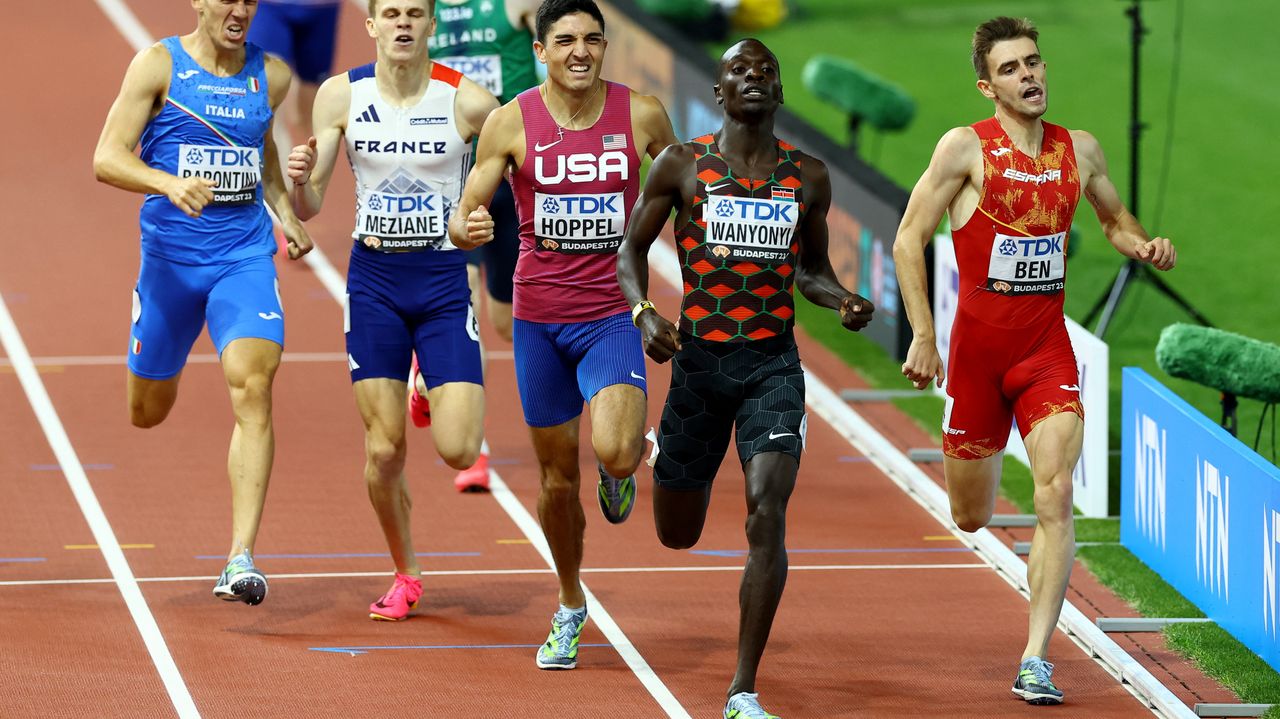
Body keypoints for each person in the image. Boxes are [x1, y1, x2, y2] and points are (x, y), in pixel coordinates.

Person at [892, 16, 1177, 705]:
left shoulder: (1079, 151)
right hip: (976, 361)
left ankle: (1035, 657)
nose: (1031, 76)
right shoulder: (965, 149)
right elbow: (908, 239)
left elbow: (1113, 219)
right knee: (970, 514)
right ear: (987, 85)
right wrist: (924, 335)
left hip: (1047, 353)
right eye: (1013, 68)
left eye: (1035, 63)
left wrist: (1140, 244)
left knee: (1054, 494)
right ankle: (982, 505)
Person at [616, 38, 873, 719]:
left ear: (779, 94)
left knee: (767, 509)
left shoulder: (807, 176)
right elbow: (631, 250)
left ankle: (742, 687)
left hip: (771, 366)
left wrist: (842, 298)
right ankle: (645, 453)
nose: (753, 78)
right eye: (738, 71)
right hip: (698, 364)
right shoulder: (682, 164)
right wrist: (644, 315)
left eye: (766, 71)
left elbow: (812, 271)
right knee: (678, 532)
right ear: (719, 94)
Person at [450, 0, 677, 669]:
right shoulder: (510, 121)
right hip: (539, 320)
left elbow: (688, 187)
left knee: (613, 453)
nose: (580, 51)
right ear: (541, 49)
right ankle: (571, 602)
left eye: (592, 40)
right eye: (566, 41)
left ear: (604, 47)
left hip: (611, 312)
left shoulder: (641, 114)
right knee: (555, 480)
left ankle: (624, 466)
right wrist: (471, 227)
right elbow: (466, 212)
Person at [93, 0, 314, 606]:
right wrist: (167, 182)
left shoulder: (270, 75)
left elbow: (261, 151)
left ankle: (240, 556)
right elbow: (106, 157)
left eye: (249, 0)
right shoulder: (158, 65)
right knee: (147, 411)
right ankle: (152, 337)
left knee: (254, 385)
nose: (239, 10)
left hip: (242, 259)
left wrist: (285, 212)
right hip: (169, 265)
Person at [286, 0, 498, 621]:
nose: (403, 24)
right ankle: (406, 573)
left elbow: (514, 169)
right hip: (374, 282)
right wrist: (300, 178)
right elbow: (312, 202)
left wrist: (484, 218)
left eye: (415, 13)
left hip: (440, 282)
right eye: (391, 13)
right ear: (371, 24)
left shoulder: (469, 102)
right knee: (383, 452)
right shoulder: (339, 96)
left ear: (432, 24)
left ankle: (426, 382)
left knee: (460, 450)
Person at [411, 0, 543, 492]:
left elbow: (570, 32)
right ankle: (475, 447)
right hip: (447, 176)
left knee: (506, 324)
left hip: (509, 178)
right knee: (458, 306)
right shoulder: (421, 9)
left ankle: (427, 369)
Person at [247, 0, 343, 178]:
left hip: (321, 9)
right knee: (268, 101)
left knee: (308, 116)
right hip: (270, 8)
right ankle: (280, 186)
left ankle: (305, 185)